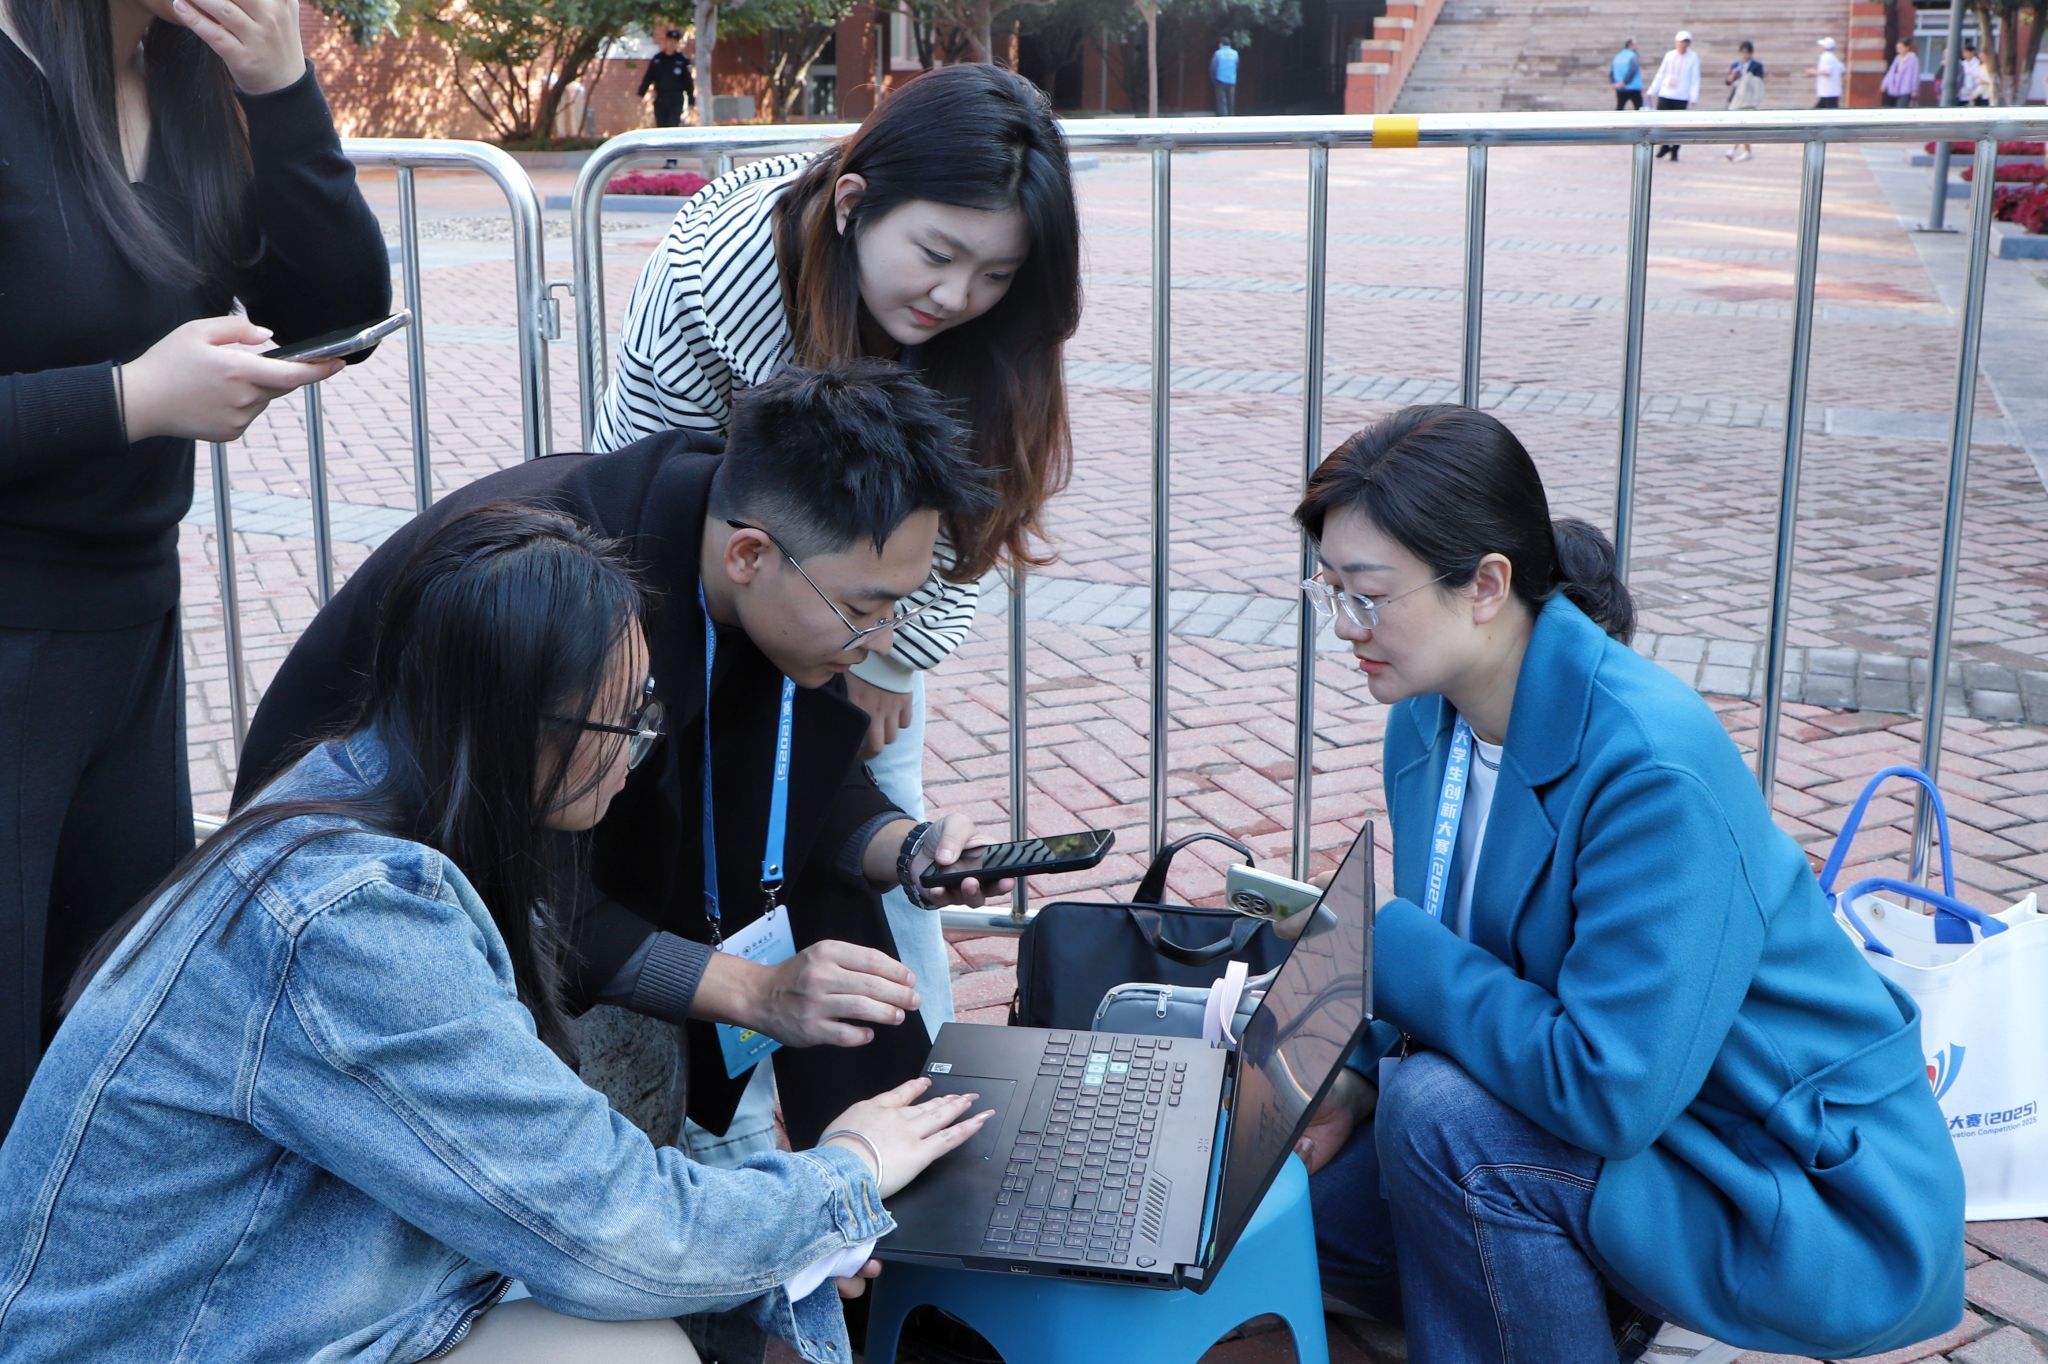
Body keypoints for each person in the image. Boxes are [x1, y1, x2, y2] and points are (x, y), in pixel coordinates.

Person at [0, 503, 995, 1362]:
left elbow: (544, 1187)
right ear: (514, 721)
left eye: (647, 708)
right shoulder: (356, 924)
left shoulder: (369, 786)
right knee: (630, 1346)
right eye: (620, 725)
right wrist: (845, 1171)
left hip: (256, 1304)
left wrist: (782, 1247)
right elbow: (607, 1223)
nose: (637, 756)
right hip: (169, 1337)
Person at [1289, 406, 1965, 1363]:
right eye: (1329, 592)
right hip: (1637, 1125)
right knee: (1282, 1207)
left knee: (1442, 1118)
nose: (1345, 627)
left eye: (1367, 595)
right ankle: (1555, 1290)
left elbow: (1608, 1092)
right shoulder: (1428, 717)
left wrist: (1387, 944)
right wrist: (1355, 1079)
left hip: (1777, 1176)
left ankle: (1562, 1299)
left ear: (1487, 585)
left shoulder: (1651, 767)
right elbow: (1476, 966)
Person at [233, 363, 1008, 1157]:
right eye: (863, 609)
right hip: (351, 890)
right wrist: (752, 990)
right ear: (749, 555)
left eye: (898, 605)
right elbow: (523, 873)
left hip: (519, 840)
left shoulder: (735, 541)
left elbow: (798, 766)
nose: (882, 640)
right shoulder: (556, 586)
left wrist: (909, 850)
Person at [594, 63, 1080, 1068]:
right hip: (696, 596)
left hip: (852, 603)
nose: (958, 296)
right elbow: (641, 494)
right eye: (937, 255)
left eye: (996, 274)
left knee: (888, 846)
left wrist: (886, 655)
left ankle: (924, 1094)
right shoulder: (715, 277)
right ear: (854, 203)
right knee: (693, 838)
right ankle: (722, 1117)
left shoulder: (990, 330)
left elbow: (976, 506)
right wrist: (686, 672)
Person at [0, 0, 390, 1131]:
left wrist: (282, 88)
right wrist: (128, 399)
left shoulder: (186, 76)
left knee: (110, 1041)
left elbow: (338, 310)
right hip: (14, 629)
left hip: (132, 630)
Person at [1647, 30, 1699, 161]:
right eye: (1680, 42)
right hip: (1666, 93)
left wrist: (1693, 96)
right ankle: (1664, 146)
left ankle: (1675, 149)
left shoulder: (1693, 58)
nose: (1682, 45)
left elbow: (1695, 78)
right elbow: (1661, 73)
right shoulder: (1670, 56)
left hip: (1681, 95)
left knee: (1678, 125)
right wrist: (1653, 90)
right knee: (1661, 122)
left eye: (1685, 42)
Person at [640, 26, 696, 128]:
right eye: (670, 41)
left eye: (675, 42)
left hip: (676, 99)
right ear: (665, 42)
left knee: (672, 125)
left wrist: (691, 99)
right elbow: (649, 77)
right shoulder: (657, 59)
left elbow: (688, 82)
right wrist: (641, 93)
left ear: (678, 43)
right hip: (661, 98)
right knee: (661, 127)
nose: (672, 44)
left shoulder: (682, 60)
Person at [1724, 41, 1766, 161]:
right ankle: (1745, 151)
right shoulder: (1736, 65)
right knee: (1738, 124)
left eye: (1747, 53)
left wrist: (1747, 77)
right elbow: (1728, 82)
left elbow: (1759, 82)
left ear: (1751, 53)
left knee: (1742, 125)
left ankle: (1734, 149)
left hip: (1748, 99)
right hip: (1736, 98)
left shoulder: (1756, 66)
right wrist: (1734, 76)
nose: (1745, 55)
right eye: (1743, 53)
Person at [1882, 39, 1922, 107]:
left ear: (1907, 47)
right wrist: (1885, 83)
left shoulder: (1912, 59)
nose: (1898, 50)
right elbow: (1891, 72)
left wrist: (1914, 89)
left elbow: (1915, 75)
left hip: (1906, 89)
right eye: (1898, 48)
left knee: (1901, 107)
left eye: (1900, 48)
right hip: (1895, 88)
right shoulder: (1897, 58)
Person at [1810, 36, 1846, 109]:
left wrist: (1814, 72)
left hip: (1828, 93)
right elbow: (1842, 70)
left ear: (1825, 47)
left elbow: (1827, 72)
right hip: (1832, 92)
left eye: (1821, 45)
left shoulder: (1826, 57)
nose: (1820, 47)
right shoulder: (1834, 58)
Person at [1610, 37, 1643, 110]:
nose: (1637, 47)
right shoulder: (1632, 56)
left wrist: (1613, 83)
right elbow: (1633, 70)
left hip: (1620, 87)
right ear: (1631, 45)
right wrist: (1625, 82)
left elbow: (1612, 71)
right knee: (1639, 107)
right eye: (1636, 45)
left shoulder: (1618, 56)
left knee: (1620, 107)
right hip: (1633, 86)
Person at [1211, 37, 1240, 115]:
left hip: (1220, 79)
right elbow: (1237, 65)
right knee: (1231, 100)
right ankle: (1231, 115)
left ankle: (1223, 116)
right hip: (1231, 79)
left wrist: (1213, 78)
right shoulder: (1235, 54)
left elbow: (1213, 67)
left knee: (1221, 100)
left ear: (1221, 44)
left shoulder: (1218, 53)